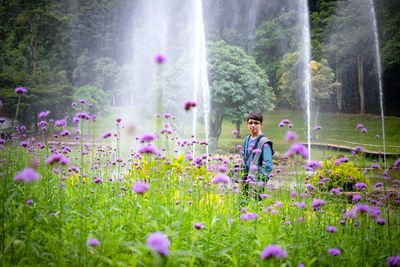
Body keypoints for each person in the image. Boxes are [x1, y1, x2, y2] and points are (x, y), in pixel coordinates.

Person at [242, 112, 274, 199]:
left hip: (257, 183)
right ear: (247, 124)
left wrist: (260, 183)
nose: (253, 125)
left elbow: (268, 165)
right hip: (245, 180)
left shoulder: (264, 142)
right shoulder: (247, 139)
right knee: (240, 208)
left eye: (256, 123)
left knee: (256, 209)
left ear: (261, 124)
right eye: (250, 122)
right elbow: (244, 158)